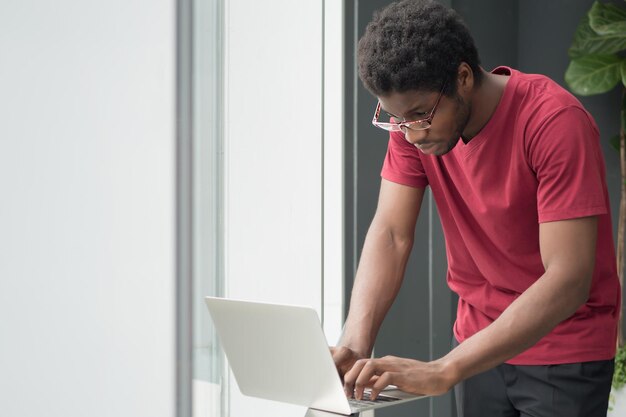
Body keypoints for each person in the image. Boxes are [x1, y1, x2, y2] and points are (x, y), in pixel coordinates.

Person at [331, 1, 621, 416]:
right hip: (476, 341)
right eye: (395, 119)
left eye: (418, 115)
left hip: (562, 348)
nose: (410, 134)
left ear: (463, 78)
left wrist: (446, 369)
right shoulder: (413, 127)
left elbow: (568, 279)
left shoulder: (554, 122)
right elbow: (391, 234)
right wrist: (354, 344)